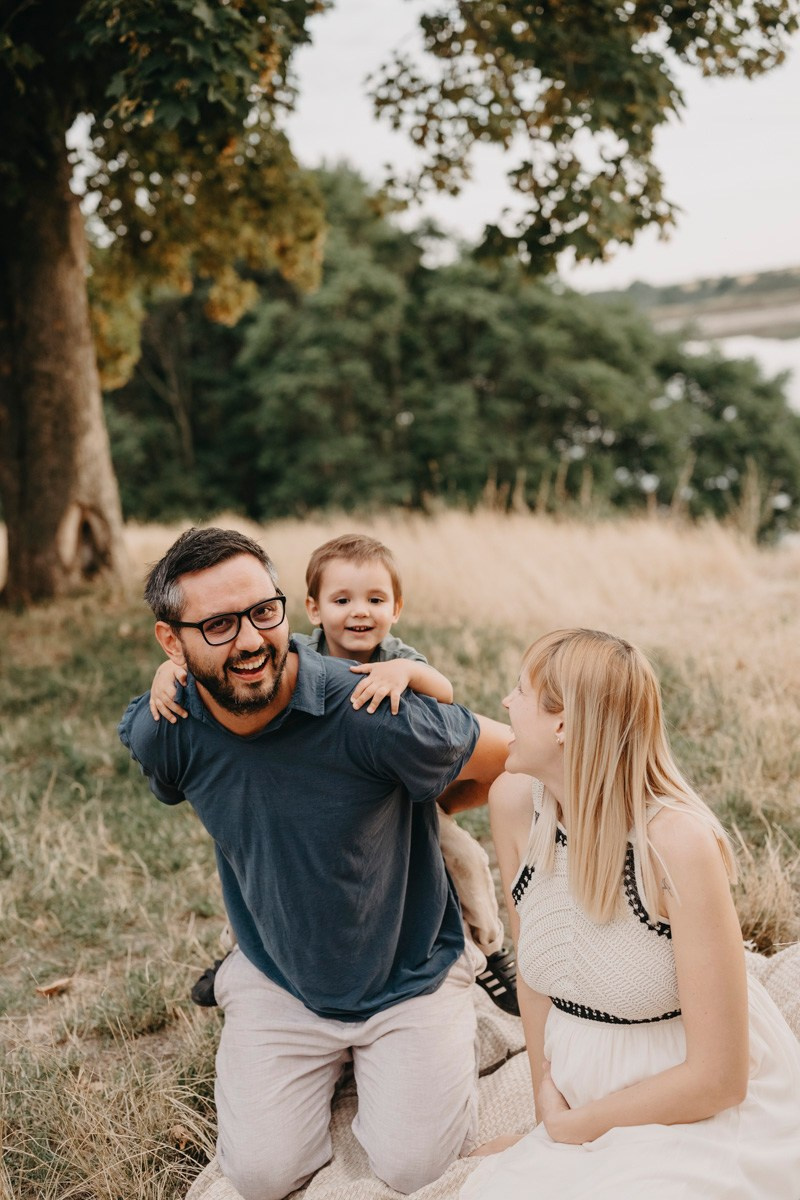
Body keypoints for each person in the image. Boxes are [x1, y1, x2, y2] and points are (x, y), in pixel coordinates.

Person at [119, 526, 511, 1200]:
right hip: (281, 975)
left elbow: (512, 756)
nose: (248, 640)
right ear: (170, 641)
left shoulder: (371, 710)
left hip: (408, 969)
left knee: (416, 1168)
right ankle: (247, 983)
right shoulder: (167, 730)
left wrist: (434, 803)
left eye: (262, 612)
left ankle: (463, 1004)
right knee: (260, 1175)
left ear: (283, 607)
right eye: (216, 625)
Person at [461, 628, 800, 1200]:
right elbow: (538, 978)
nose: (505, 704)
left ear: (563, 724)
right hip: (575, 1081)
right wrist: (547, 1101)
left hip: (682, 1094)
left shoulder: (676, 843)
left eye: (519, 690)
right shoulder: (515, 801)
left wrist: (572, 1128)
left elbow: (720, 1077)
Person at [150, 533, 518, 1015]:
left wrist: (406, 675)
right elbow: (202, 664)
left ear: (396, 608)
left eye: (375, 599)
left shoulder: (397, 657)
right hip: (315, 794)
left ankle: (492, 951)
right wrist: (166, 673)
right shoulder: (295, 651)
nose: (359, 611)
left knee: (464, 856)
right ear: (313, 608)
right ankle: (237, 951)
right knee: (268, 871)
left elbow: (445, 696)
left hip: (399, 796)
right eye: (342, 600)